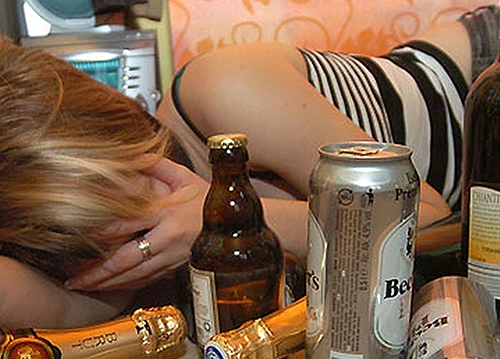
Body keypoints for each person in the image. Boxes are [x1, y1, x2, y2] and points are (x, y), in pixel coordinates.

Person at [0, 5, 498, 329]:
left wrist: (242, 223)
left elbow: (430, 222)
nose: (136, 249)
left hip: (477, 86)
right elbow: (63, 306)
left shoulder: (224, 91)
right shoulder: (118, 249)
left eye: (133, 226)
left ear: (127, 136)